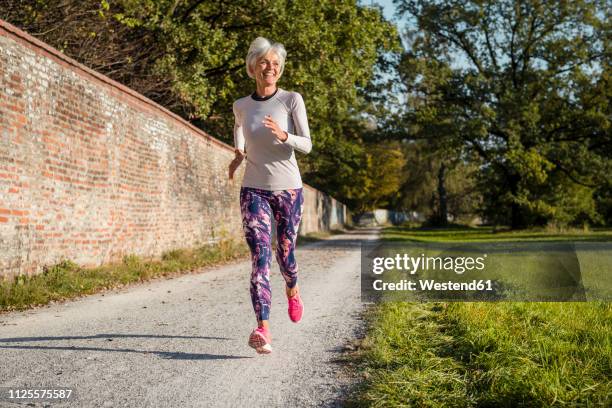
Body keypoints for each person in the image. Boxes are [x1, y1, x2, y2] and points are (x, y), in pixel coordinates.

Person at [229, 37, 312, 354]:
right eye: (265, 62)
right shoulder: (241, 105)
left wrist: (285, 135)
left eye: (276, 63)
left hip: (289, 188)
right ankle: (262, 328)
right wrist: (238, 151)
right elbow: (239, 126)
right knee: (260, 258)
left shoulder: (291, 99)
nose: (271, 67)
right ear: (253, 66)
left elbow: (307, 144)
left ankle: (293, 290)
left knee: (285, 255)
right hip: (253, 189)